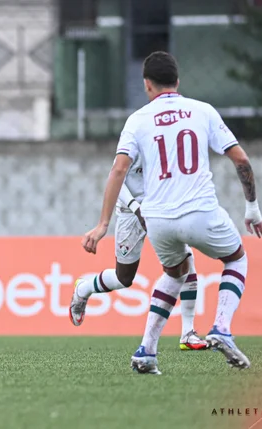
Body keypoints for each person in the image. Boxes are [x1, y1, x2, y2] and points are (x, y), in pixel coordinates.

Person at [82, 51, 262, 374]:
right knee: (236, 258)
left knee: (175, 273)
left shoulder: (137, 120)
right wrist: (252, 207)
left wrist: (102, 224)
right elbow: (242, 161)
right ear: (178, 81)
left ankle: (146, 351)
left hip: (158, 220)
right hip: (200, 211)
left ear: (146, 85)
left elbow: (118, 171)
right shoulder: (202, 111)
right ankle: (221, 327)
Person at [69, 171, 207, 351]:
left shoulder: (165, 143)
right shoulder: (131, 143)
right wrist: (137, 208)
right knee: (123, 278)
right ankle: (84, 288)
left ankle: (188, 333)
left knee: (186, 260)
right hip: (130, 214)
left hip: (160, 211)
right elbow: (116, 177)